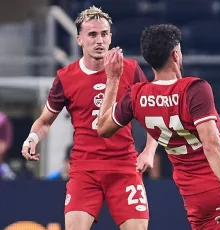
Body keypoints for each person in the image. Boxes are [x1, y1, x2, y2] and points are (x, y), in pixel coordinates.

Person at [97, 24, 220, 230]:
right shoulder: (194, 89)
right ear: (176, 55)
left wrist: (112, 79)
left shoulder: (136, 96)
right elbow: (211, 144)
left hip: (198, 194)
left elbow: (103, 128)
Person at [20, 6, 157, 230]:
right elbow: (45, 121)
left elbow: (153, 116)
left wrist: (149, 150)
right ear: (79, 39)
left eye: (104, 34)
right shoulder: (66, 78)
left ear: (111, 37)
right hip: (85, 169)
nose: (99, 40)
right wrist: (32, 138)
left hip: (124, 167)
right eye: (92, 34)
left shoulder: (130, 70)